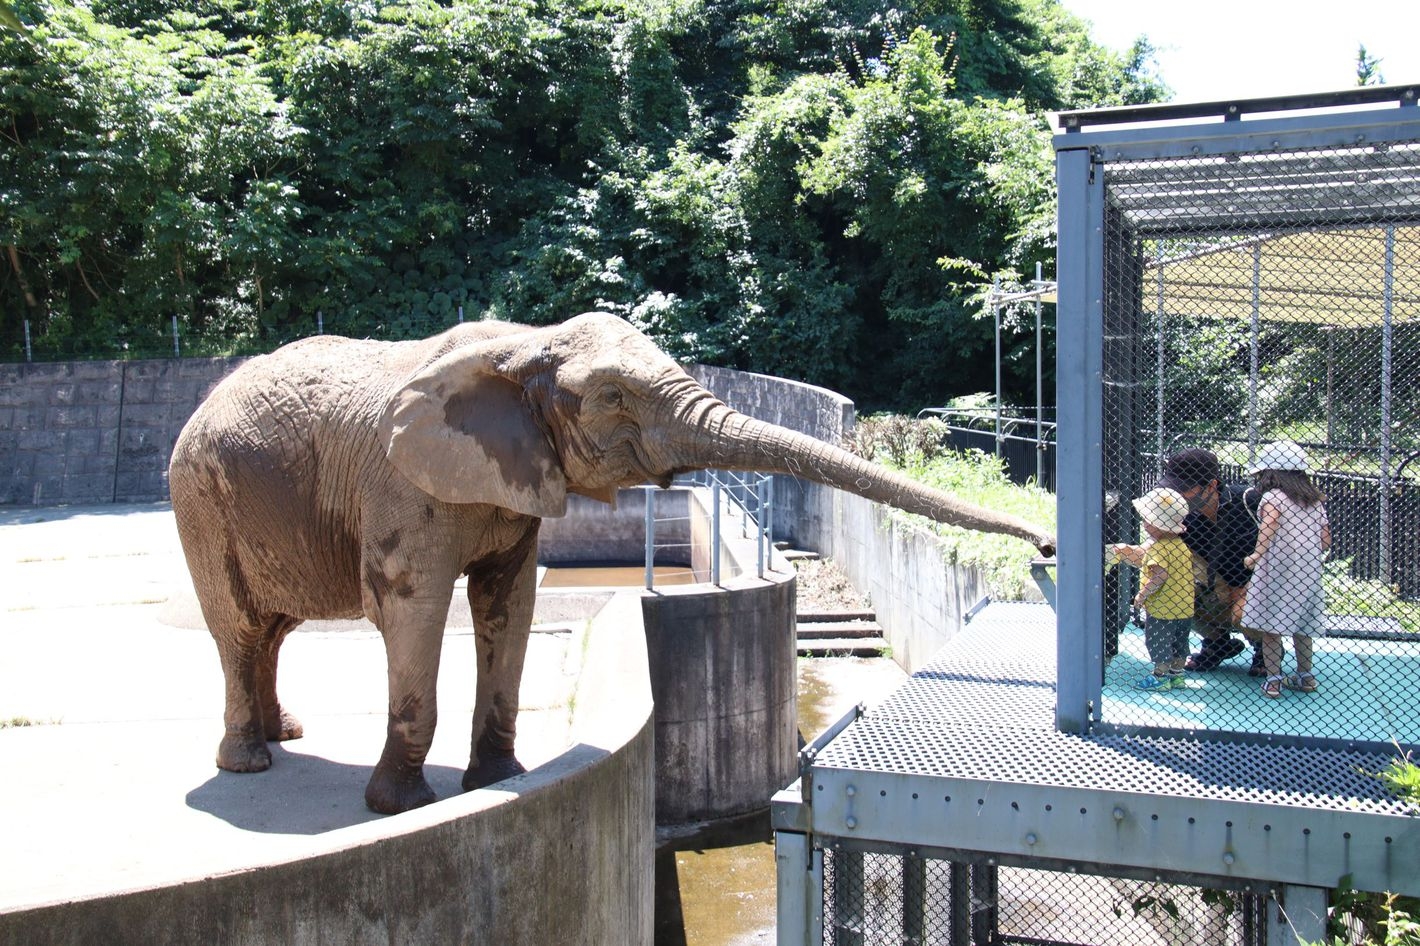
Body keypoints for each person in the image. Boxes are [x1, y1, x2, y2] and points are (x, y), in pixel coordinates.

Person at [1155, 449, 1265, 674]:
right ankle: (1217, 642)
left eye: (1184, 489)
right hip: (1218, 583)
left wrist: (1244, 592)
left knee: (1244, 615)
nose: (1179, 495)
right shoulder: (1179, 514)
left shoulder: (1248, 500)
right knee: (1170, 591)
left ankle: (1265, 648)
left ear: (1212, 485)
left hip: (1263, 583)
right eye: (1173, 488)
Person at [1240, 441, 1331, 699]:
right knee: (1303, 626)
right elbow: (1325, 540)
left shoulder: (1273, 498)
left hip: (1277, 569)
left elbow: (1269, 524)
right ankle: (1305, 675)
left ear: (1271, 473)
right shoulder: (1314, 501)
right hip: (1308, 571)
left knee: (1271, 626)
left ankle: (1273, 680)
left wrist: (1257, 554)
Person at [1119, 487, 1195, 692]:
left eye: (1147, 521)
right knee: (1180, 642)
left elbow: (1160, 576)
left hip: (1163, 608)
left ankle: (1160, 676)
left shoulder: (1158, 548)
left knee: (1160, 642)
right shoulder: (1181, 545)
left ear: (1158, 525)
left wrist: (1142, 594)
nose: (1144, 524)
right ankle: (1177, 676)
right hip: (1184, 607)